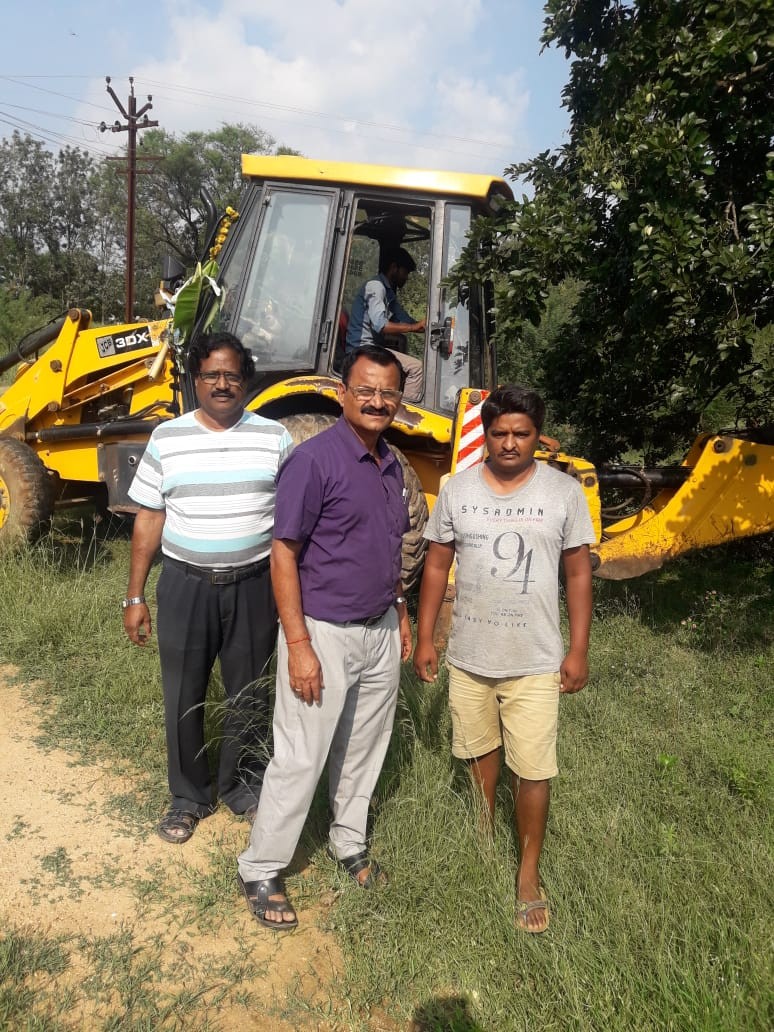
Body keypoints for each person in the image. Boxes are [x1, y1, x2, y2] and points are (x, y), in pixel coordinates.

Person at [237, 344, 413, 930]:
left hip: (379, 629)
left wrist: (401, 612)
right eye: (366, 390)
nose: (377, 401)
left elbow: (388, 547)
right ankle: (262, 866)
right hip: (324, 633)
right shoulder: (313, 461)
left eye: (388, 392)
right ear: (342, 394)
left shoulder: (390, 464)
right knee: (301, 754)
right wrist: (298, 645)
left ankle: (348, 842)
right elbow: (283, 554)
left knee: (365, 748)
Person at [413, 385, 594, 933]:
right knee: (478, 753)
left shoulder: (564, 493)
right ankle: (484, 836)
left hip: (536, 659)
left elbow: (578, 572)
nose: (510, 443)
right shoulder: (457, 489)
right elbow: (437, 565)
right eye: (499, 433)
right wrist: (426, 637)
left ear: (539, 436)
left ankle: (528, 874)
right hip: (470, 655)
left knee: (533, 768)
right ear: (486, 436)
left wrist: (578, 648)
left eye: (521, 433)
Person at [123, 331, 293, 844]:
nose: (222, 384)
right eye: (211, 375)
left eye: (232, 375)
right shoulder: (167, 438)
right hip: (185, 585)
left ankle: (243, 786)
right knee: (183, 694)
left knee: (250, 692)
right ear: (194, 380)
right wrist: (135, 595)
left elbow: (291, 521)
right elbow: (149, 519)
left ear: (246, 380)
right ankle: (188, 797)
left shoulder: (275, 437)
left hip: (255, 585)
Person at [345, 247, 426, 401]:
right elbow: (381, 325)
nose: (406, 278)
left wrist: (422, 325)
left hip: (374, 347)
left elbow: (405, 319)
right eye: (405, 272)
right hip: (362, 349)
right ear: (394, 268)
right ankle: (402, 412)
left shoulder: (388, 293)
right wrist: (413, 327)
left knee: (401, 340)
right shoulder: (376, 287)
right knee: (417, 369)